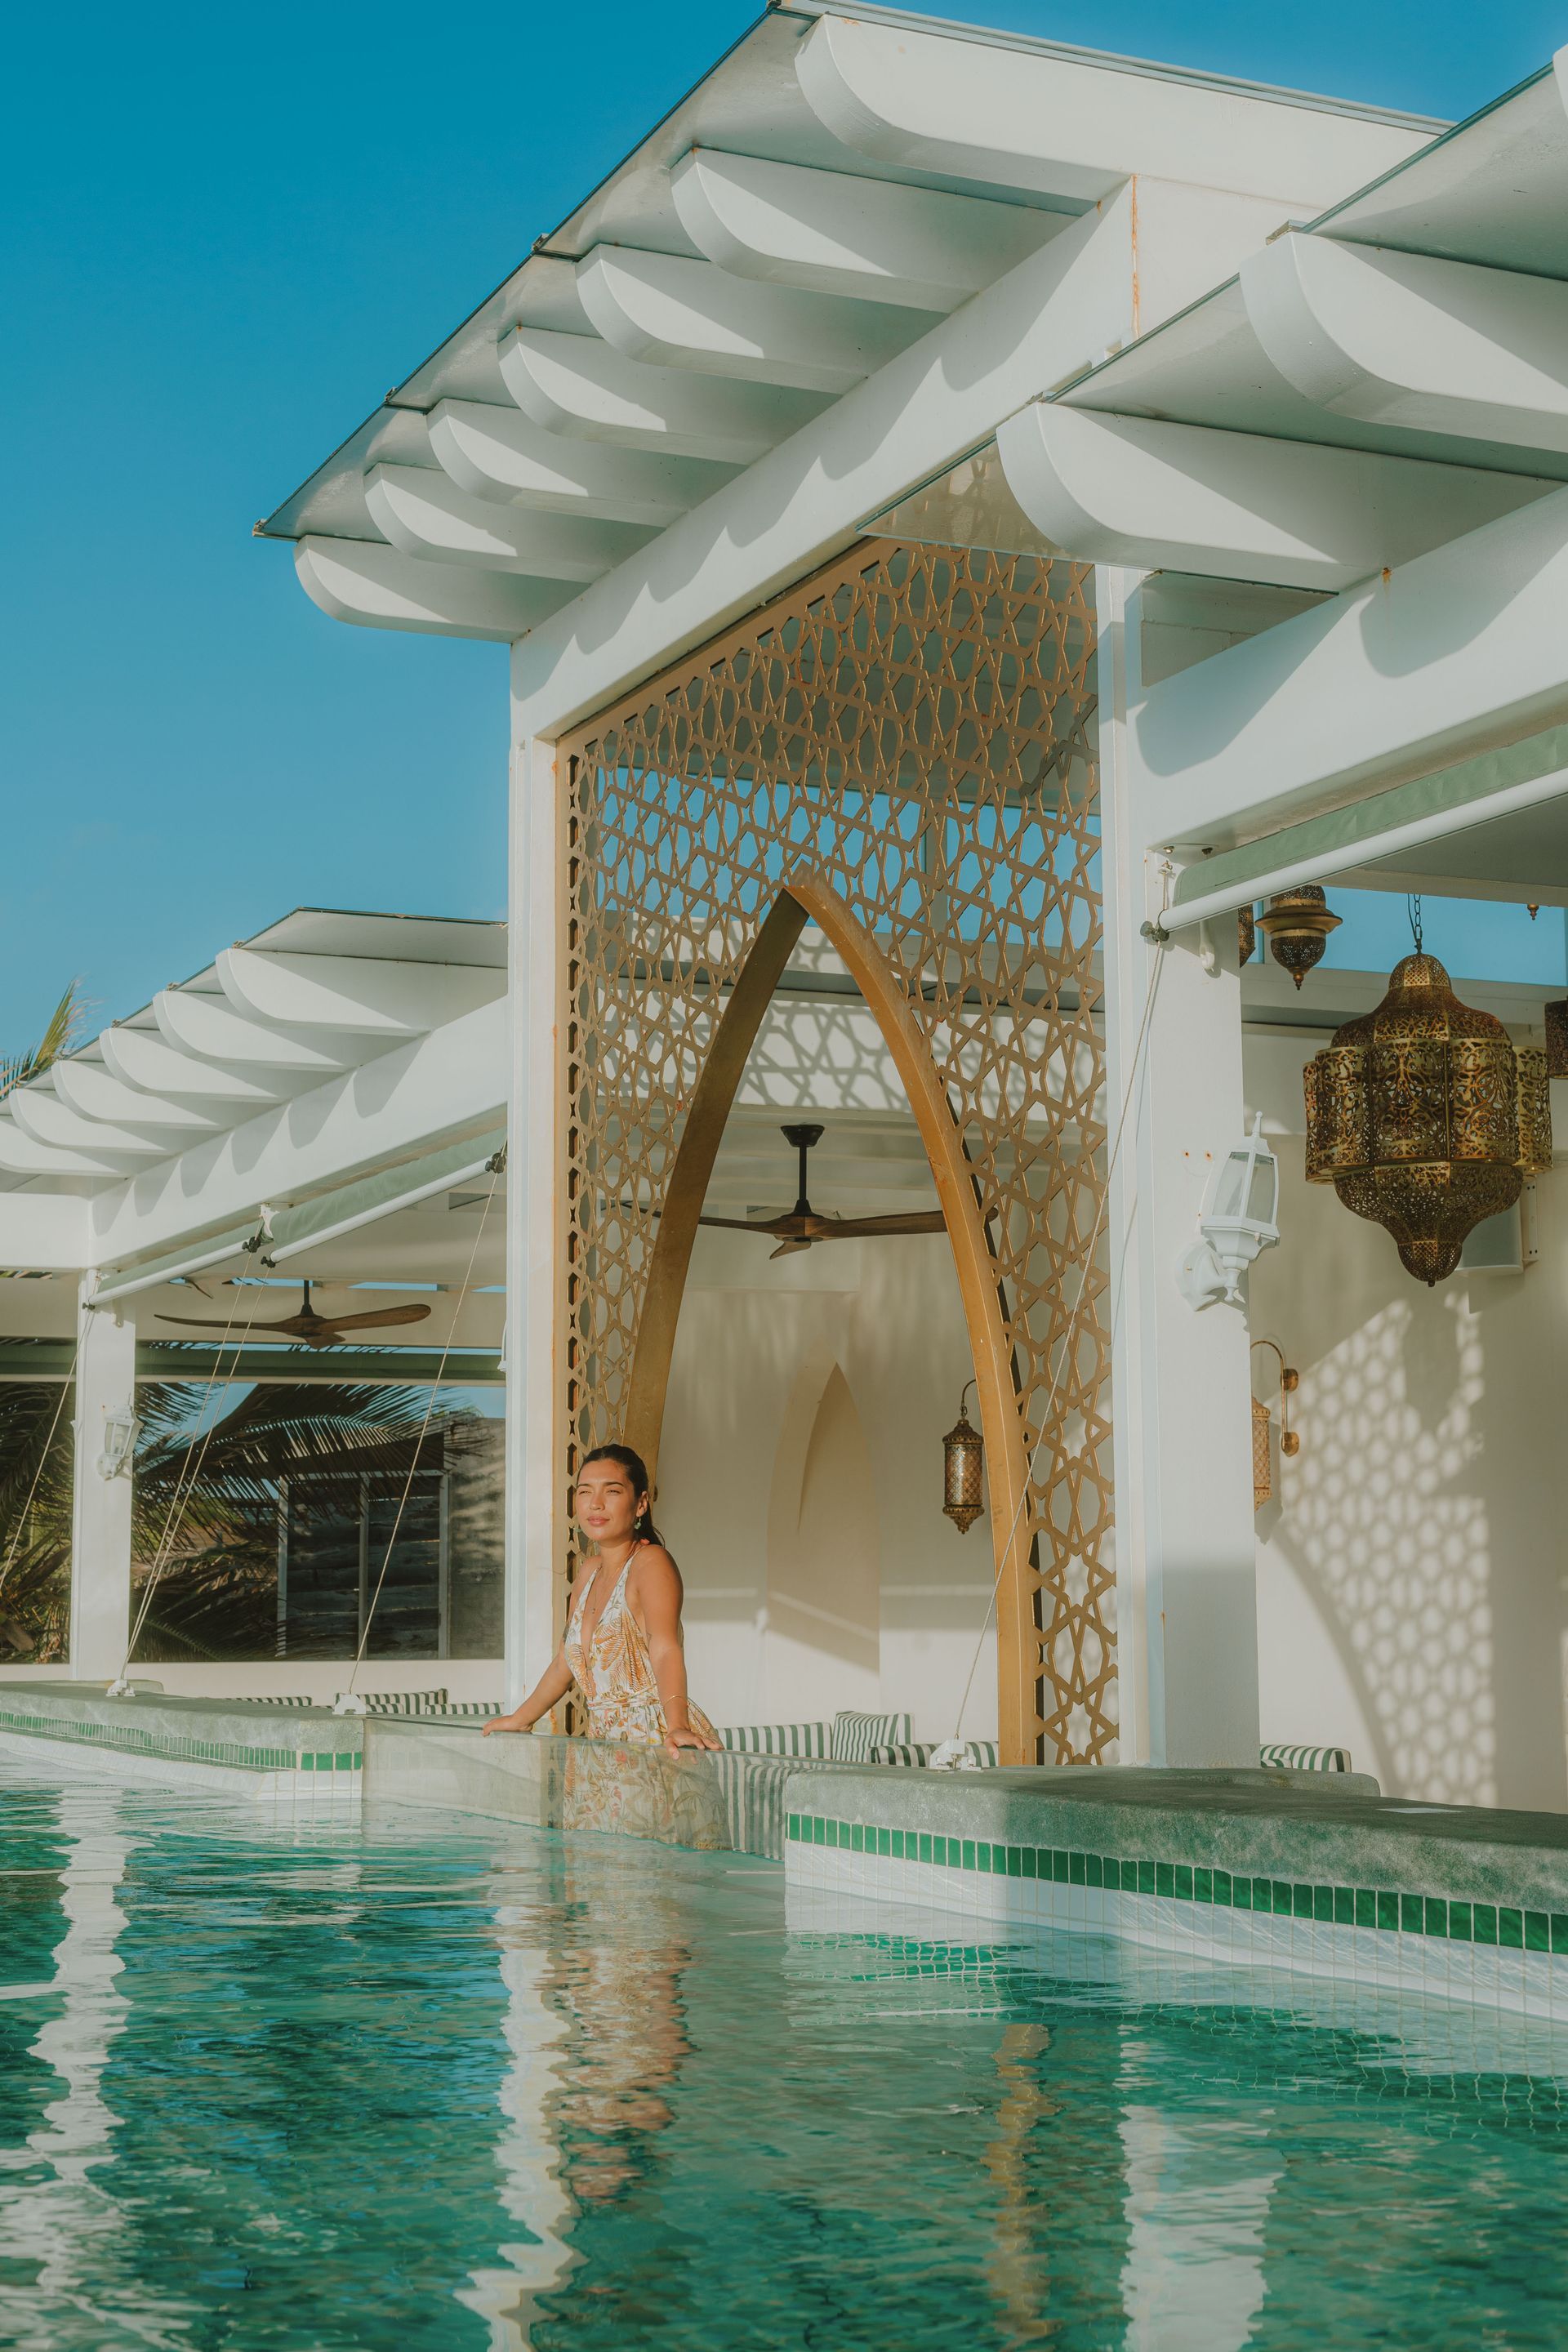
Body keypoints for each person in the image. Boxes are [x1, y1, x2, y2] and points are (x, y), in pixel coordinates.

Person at [483, 1444, 721, 1757]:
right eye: (584, 1492)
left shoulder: (651, 1562)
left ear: (641, 1504)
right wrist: (521, 1718)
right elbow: (564, 1661)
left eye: (611, 1491)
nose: (595, 1504)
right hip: (603, 1745)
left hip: (656, 1739)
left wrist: (677, 1725)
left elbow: (665, 1648)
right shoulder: (589, 1572)